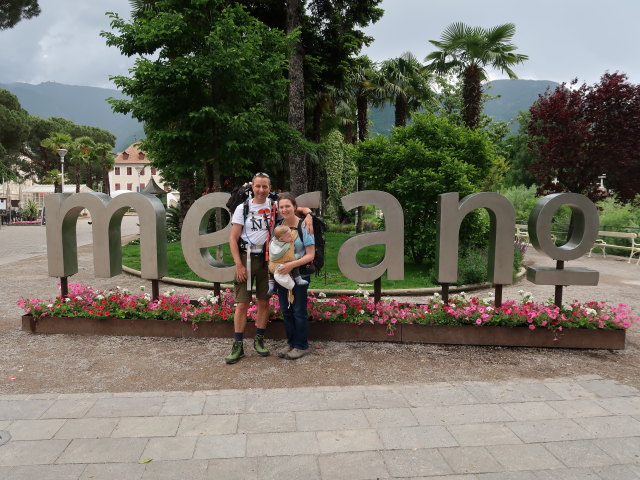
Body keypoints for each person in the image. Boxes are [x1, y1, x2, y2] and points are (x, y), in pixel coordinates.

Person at [226, 174, 312, 364]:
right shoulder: (243, 207)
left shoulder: (274, 204)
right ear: (253, 187)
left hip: (268, 259)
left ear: (270, 187)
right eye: (258, 186)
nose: (261, 190)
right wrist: (238, 264)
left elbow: (296, 207)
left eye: (265, 186)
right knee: (242, 303)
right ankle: (238, 345)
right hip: (246, 258)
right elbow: (233, 238)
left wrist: (309, 216)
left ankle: (259, 340)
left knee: (264, 301)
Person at [273, 193, 315, 360]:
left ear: (294, 207)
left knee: (298, 311)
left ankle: (301, 345)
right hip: (282, 276)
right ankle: (291, 342)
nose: (284, 209)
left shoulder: (304, 225)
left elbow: (310, 254)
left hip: (299, 274)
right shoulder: (278, 225)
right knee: (286, 310)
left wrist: (291, 265)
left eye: (287, 206)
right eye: (281, 207)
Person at [268, 225, 309, 296]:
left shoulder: (273, 242)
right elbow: (290, 256)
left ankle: (271, 284)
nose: (291, 237)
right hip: (283, 265)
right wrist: (298, 256)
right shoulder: (287, 245)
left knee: (270, 269)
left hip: (274, 266)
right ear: (281, 239)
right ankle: (298, 279)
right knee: (294, 264)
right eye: (289, 236)